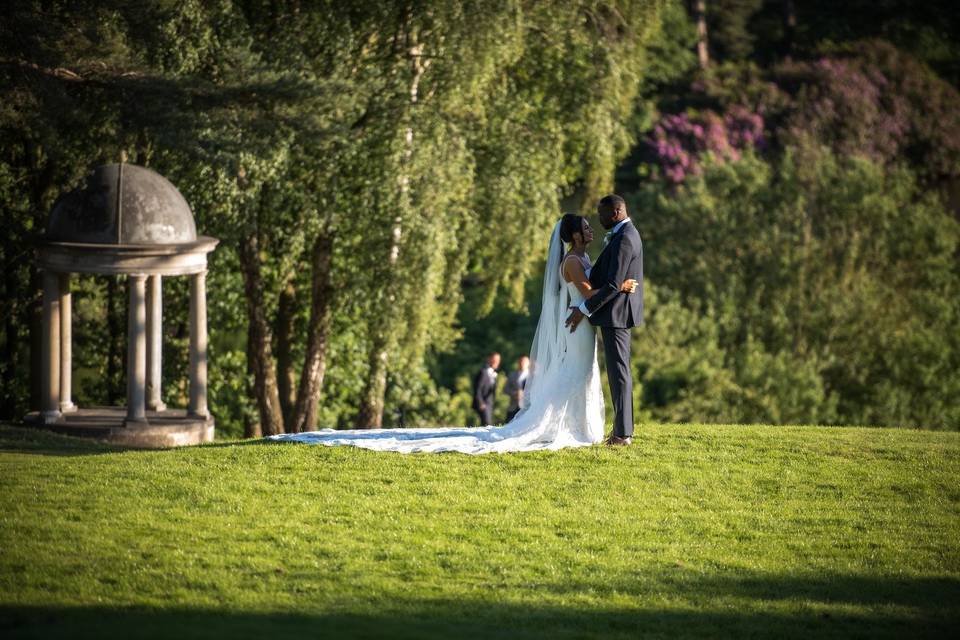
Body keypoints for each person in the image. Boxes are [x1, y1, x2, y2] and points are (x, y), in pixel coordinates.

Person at [268, 208, 638, 453]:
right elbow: (589, 292)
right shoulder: (574, 261)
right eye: (586, 226)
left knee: (584, 375)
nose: (592, 228)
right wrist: (618, 289)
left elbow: (595, 286)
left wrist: (610, 289)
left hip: (584, 322)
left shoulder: (584, 257)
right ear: (573, 235)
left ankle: (581, 426)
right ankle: (559, 426)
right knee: (575, 374)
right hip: (579, 322)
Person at [565, 194, 644, 446]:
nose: (598, 220)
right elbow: (610, 281)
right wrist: (619, 286)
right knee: (619, 371)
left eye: (602, 214)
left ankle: (622, 434)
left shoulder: (625, 238)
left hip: (617, 314)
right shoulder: (623, 235)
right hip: (615, 312)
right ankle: (623, 430)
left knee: (619, 372)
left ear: (617, 211)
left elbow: (610, 284)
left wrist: (584, 308)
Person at [472, 352, 500, 426]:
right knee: (487, 424)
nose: (497, 362)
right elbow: (477, 388)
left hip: (490, 403)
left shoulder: (493, 373)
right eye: (495, 360)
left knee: (487, 424)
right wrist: (480, 403)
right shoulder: (483, 372)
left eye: (498, 360)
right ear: (489, 359)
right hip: (484, 404)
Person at [502, 355, 530, 422]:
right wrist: (514, 393)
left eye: (524, 362)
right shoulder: (512, 375)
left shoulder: (533, 376)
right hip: (513, 405)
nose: (522, 363)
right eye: (520, 361)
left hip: (527, 406)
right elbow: (505, 389)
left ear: (528, 363)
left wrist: (524, 394)